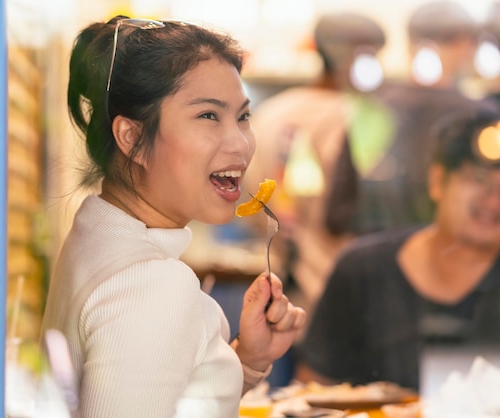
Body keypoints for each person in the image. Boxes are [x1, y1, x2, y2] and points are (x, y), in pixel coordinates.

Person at [41, 16, 306, 418]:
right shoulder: (151, 284)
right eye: (208, 116)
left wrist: (245, 361)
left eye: (243, 116)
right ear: (131, 138)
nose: (240, 143)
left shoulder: (95, 234)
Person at [295, 108, 500, 391]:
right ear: (437, 181)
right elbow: (313, 389)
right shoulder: (363, 270)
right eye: (478, 179)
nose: (493, 200)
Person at [244, 12, 394, 333]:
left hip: (279, 289)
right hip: (349, 296)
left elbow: (250, 201)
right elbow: (377, 208)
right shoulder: (366, 118)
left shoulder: (270, 114)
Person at [376, 0, 500, 226]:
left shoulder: (377, 105)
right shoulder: (478, 115)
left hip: (383, 240)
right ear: (464, 45)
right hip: (451, 242)